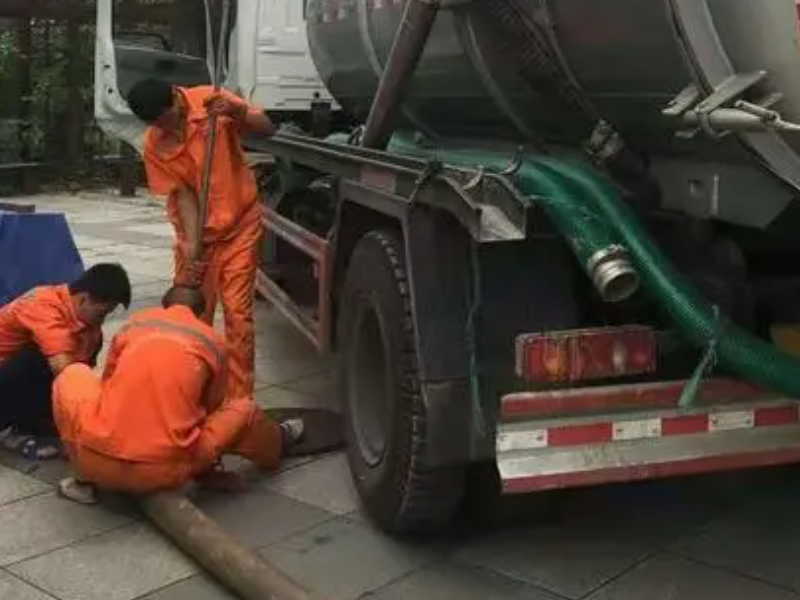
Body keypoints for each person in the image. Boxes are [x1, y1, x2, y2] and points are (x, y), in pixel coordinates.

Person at [52, 286, 302, 504]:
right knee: (242, 410)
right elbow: (212, 409)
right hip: (164, 470)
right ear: (201, 314)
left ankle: (81, 482)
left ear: (164, 306)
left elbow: (108, 382)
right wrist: (207, 468)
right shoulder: (211, 341)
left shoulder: (135, 324)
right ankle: (279, 441)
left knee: (72, 374)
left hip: (93, 459)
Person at [126, 78, 276, 404]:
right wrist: (193, 247)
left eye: (168, 120)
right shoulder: (155, 144)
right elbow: (184, 197)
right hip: (197, 237)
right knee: (190, 317)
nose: (167, 129)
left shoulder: (211, 101)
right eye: (158, 125)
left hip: (240, 227)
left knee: (238, 316)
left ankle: (239, 402)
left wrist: (237, 111)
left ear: (176, 100)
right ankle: (194, 397)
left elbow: (267, 128)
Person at [0, 264, 131, 459]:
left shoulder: (88, 327)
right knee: (37, 359)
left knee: (73, 358)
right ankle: (15, 430)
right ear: (84, 298)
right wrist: (93, 424)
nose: (102, 320)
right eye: (101, 313)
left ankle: (36, 421)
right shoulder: (43, 306)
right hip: (7, 373)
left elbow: (83, 371)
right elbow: (64, 369)